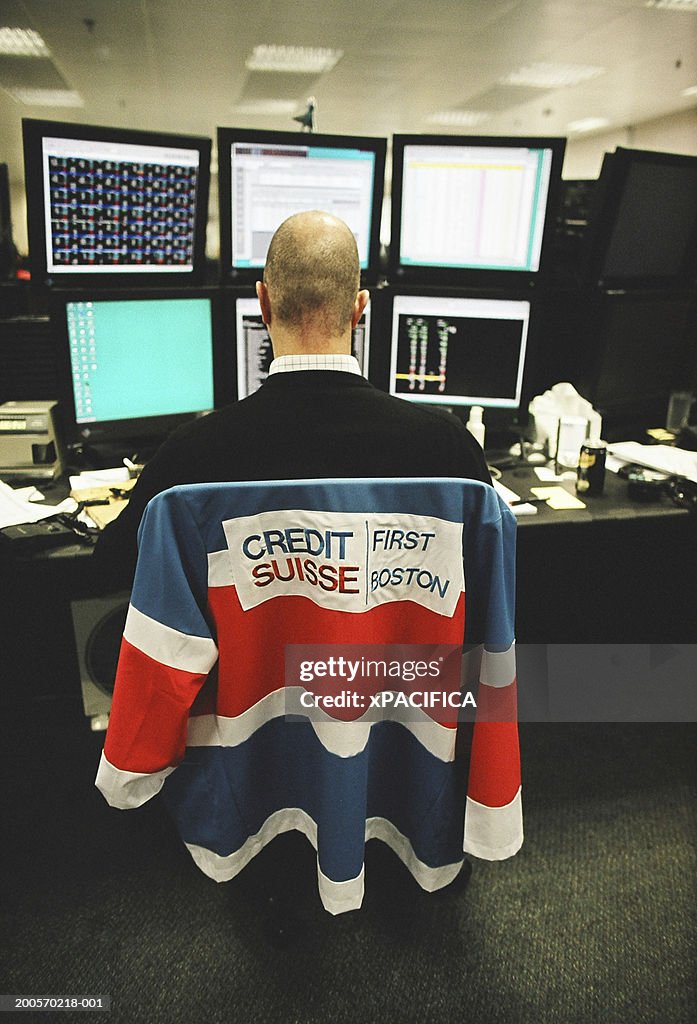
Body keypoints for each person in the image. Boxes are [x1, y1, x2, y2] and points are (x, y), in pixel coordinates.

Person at [91, 210, 490, 590]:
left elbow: (112, 566)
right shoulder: (447, 446)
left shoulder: (190, 453)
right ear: (359, 308)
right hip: (395, 665)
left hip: (253, 665)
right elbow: (489, 577)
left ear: (262, 303)